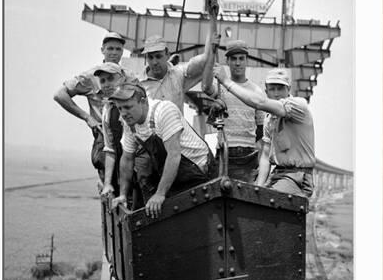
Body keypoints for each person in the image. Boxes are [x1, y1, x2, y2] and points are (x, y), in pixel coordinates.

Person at [110, 83, 217, 218]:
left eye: (128, 107)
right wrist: (123, 195)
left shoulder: (164, 111)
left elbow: (174, 155)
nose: (123, 114)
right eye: (120, 109)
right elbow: (127, 158)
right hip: (177, 175)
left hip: (199, 172)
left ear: (143, 102)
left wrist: (160, 194)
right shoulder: (130, 122)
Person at [213, 66, 315, 197]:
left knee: (267, 202)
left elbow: (259, 103)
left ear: (289, 89)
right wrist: (257, 187)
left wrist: (226, 81)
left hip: (298, 176)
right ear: (266, 91)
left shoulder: (298, 105)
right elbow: (266, 156)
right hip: (279, 175)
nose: (276, 93)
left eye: (280, 88)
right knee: (251, 198)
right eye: (272, 89)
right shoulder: (270, 119)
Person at [53, 32, 127, 183]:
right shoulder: (91, 76)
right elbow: (60, 95)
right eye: (110, 48)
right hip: (104, 132)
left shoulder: (127, 75)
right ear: (102, 50)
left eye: (118, 49)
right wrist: (87, 117)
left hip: (126, 133)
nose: (114, 53)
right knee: (103, 161)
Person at [202, 39, 265, 182]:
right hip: (224, 153)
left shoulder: (257, 91)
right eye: (234, 59)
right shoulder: (220, 87)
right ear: (228, 62)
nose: (238, 63)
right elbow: (205, 87)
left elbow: (260, 129)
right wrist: (211, 56)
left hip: (248, 156)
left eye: (241, 59)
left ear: (246, 61)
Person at [93, 63, 138, 196]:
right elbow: (110, 148)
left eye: (110, 79)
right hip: (124, 171)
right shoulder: (107, 109)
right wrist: (107, 183)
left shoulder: (135, 101)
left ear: (122, 78)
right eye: (102, 81)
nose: (106, 84)